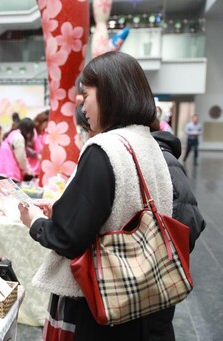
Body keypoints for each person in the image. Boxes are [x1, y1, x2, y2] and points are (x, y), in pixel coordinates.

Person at [19, 51, 173, 340]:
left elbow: (69, 239)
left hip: (102, 300)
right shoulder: (149, 143)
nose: (83, 107)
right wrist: (63, 209)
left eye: (85, 95)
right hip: (145, 296)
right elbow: (116, 208)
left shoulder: (103, 148)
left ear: (110, 93)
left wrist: (35, 222)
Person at [147, 120, 206, 340]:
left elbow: (189, 220)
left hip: (157, 278)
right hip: (158, 275)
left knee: (156, 329)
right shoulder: (161, 157)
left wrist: (162, 258)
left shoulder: (161, 159)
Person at [0, 118, 35, 183]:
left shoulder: (12, 134)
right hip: (11, 172)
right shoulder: (19, 137)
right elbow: (21, 157)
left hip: (2, 170)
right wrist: (27, 170)